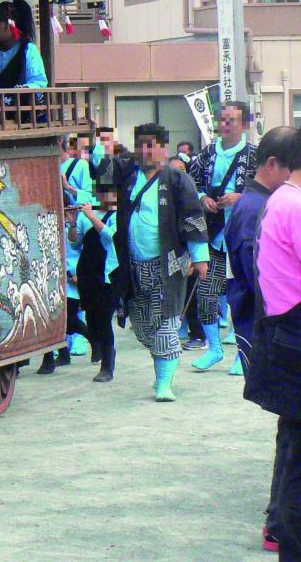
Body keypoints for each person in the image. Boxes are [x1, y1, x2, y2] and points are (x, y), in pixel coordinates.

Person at [226, 127, 296, 552]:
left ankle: (279, 521)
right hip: (270, 324)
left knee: (289, 430)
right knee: (291, 432)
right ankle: (278, 522)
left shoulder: (261, 202)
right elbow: (257, 273)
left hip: (268, 322)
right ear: (273, 165)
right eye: (290, 169)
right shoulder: (260, 206)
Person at [113, 123, 210, 401]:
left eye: (151, 144)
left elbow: (193, 217)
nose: (145, 150)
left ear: (163, 148)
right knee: (144, 327)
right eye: (140, 144)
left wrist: (200, 257)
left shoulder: (178, 179)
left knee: (166, 323)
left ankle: (164, 383)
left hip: (167, 265)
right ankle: (161, 374)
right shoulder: (130, 179)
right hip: (133, 265)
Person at [244, 127, 301, 559]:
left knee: (291, 443)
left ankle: (280, 529)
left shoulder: (277, 200)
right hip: (293, 333)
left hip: (279, 328)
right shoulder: (294, 204)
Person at [188, 101, 258, 371]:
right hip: (213, 235)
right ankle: (214, 348)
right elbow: (191, 185)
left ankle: (244, 352)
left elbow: (267, 189)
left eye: (231, 120)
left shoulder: (254, 155)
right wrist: (202, 196)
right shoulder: (206, 155)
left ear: (243, 125)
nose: (225, 125)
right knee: (206, 293)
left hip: (243, 237)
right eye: (223, 119)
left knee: (243, 295)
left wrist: (241, 197)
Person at [74, 184, 121, 382]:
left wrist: (92, 217)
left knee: (104, 320)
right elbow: (75, 243)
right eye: (101, 192)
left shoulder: (118, 215)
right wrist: (73, 224)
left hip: (107, 276)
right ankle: (98, 350)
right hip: (88, 274)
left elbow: (112, 237)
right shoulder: (87, 214)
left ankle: (108, 366)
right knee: (91, 319)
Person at [0, 0, 47, 91]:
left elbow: (38, 81)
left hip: (21, 102)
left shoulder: (28, 48)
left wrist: (27, 88)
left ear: (10, 25)